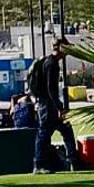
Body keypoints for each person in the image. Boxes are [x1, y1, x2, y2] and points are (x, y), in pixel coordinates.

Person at [28, 39, 79, 174]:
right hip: (48, 105)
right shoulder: (52, 64)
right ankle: (40, 164)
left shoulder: (47, 62)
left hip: (46, 104)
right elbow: (52, 89)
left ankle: (72, 160)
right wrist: (59, 107)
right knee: (44, 134)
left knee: (61, 130)